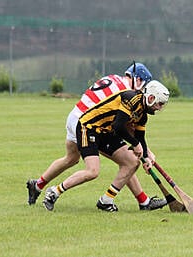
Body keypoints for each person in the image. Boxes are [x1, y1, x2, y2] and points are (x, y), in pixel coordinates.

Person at [27, 63, 167, 211]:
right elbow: (126, 126)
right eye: (142, 85)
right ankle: (141, 201)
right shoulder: (127, 92)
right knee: (121, 161)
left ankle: (37, 185)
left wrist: (144, 151)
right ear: (137, 79)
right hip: (90, 124)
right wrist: (146, 152)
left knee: (71, 158)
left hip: (74, 116)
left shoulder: (113, 78)